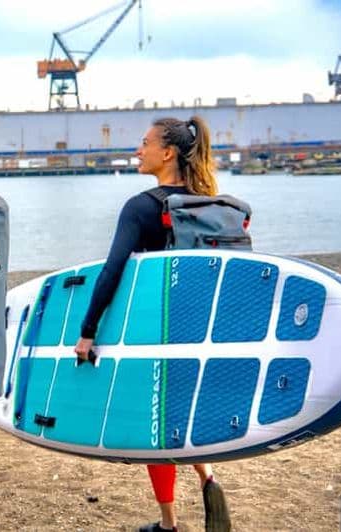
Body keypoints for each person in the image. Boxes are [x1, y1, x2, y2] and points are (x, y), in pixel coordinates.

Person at [74, 116, 232, 532]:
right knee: (181, 414)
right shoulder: (208, 204)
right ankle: (209, 480)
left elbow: (112, 272)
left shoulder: (142, 206)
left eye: (143, 144)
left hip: (154, 333)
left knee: (156, 427)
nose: (137, 151)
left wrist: (87, 332)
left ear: (167, 153)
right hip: (200, 331)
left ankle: (169, 524)